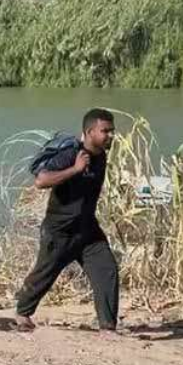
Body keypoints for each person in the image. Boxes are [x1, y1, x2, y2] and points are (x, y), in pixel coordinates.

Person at [15, 108, 118, 332]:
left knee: (106, 270)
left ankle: (108, 327)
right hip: (60, 229)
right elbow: (41, 181)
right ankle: (23, 312)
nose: (110, 135)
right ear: (90, 131)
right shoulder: (71, 154)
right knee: (45, 273)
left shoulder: (100, 154)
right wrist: (75, 169)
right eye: (105, 131)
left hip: (88, 228)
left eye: (112, 131)